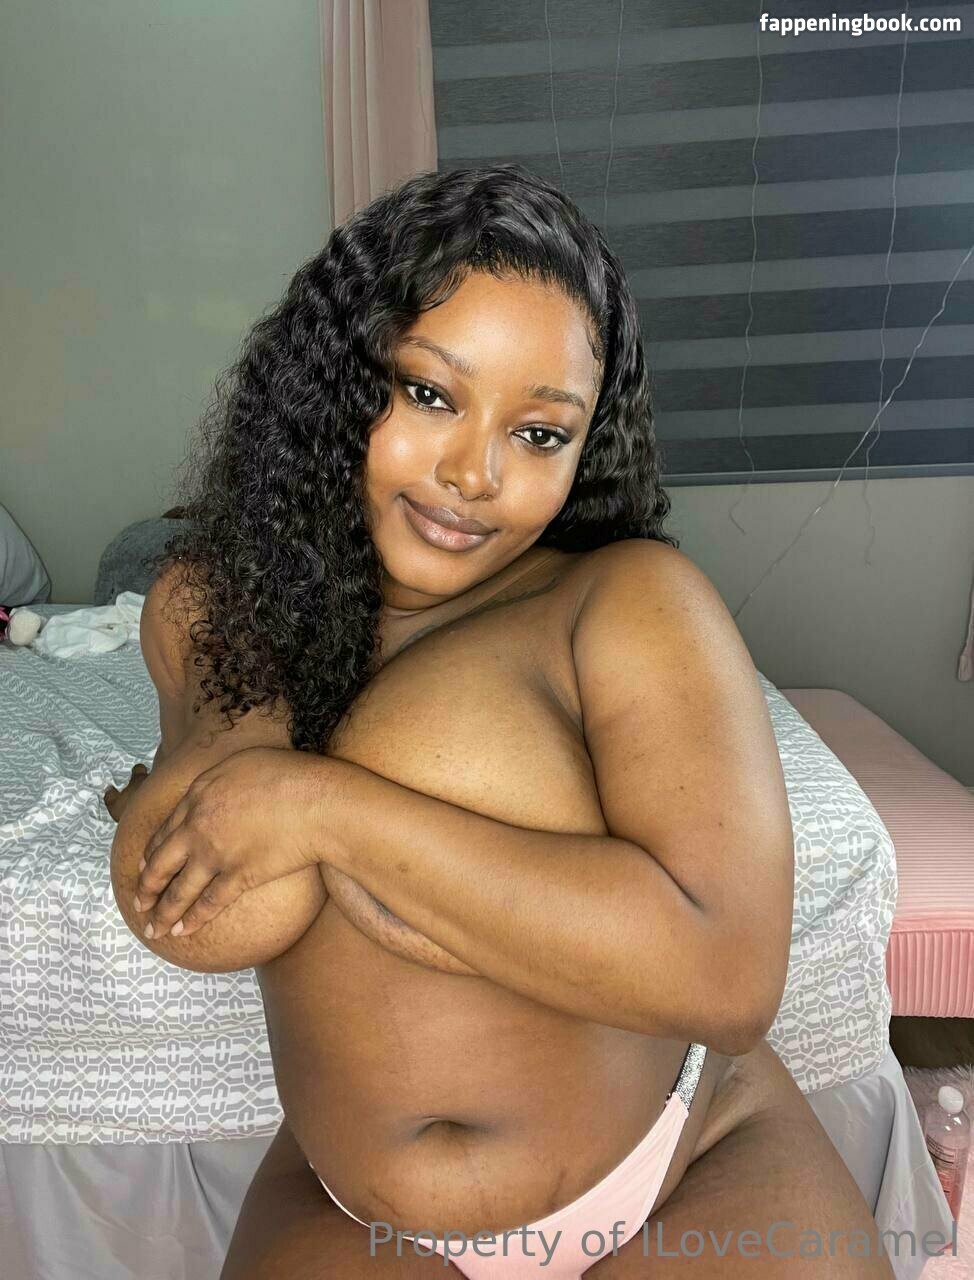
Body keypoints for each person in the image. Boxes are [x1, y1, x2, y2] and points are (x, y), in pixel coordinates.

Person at [108, 165, 893, 1277]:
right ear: (335, 380)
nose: (474, 473)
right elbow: (219, 917)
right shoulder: (222, 605)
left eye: (539, 433)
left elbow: (727, 978)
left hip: (690, 1164)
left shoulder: (623, 599)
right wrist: (248, 755)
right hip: (352, 1210)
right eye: (430, 394)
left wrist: (322, 809)